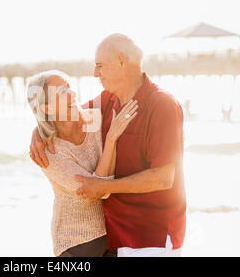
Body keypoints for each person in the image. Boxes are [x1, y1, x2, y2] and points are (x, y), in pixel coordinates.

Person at [29, 34, 186, 257]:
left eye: (100, 66)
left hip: (154, 236)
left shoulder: (162, 104)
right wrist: (40, 131)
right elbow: (66, 112)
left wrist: (104, 186)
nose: (95, 73)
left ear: (122, 61)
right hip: (118, 237)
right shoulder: (107, 101)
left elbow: (163, 178)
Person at [26, 70, 137, 257]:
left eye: (69, 87)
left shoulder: (93, 118)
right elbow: (98, 190)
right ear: (46, 108)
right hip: (75, 244)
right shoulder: (50, 152)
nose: (72, 94)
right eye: (62, 93)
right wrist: (111, 139)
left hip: (112, 233)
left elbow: (125, 85)